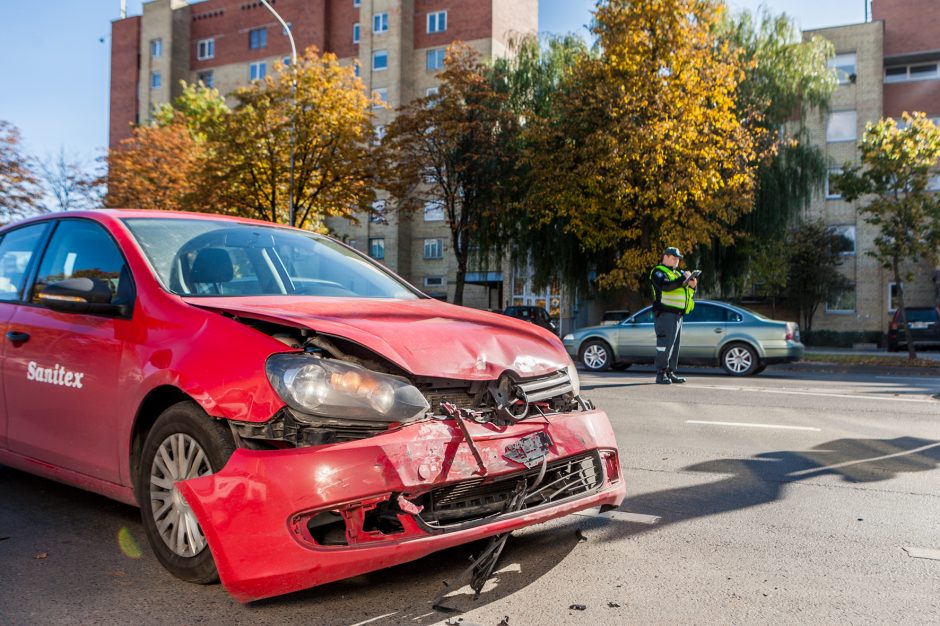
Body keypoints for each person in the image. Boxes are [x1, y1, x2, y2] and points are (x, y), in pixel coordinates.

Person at [649, 247, 697, 384]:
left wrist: (693, 285)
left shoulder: (677, 273)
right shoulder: (658, 272)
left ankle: (670, 373)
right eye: (674, 258)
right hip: (665, 314)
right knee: (664, 345)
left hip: (677, 315)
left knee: (674, 347)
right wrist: (684, 278)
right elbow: (665, 286)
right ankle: (661, 374)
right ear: (666, 256)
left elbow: (687, 292)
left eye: (678, 258)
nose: (677, 260)